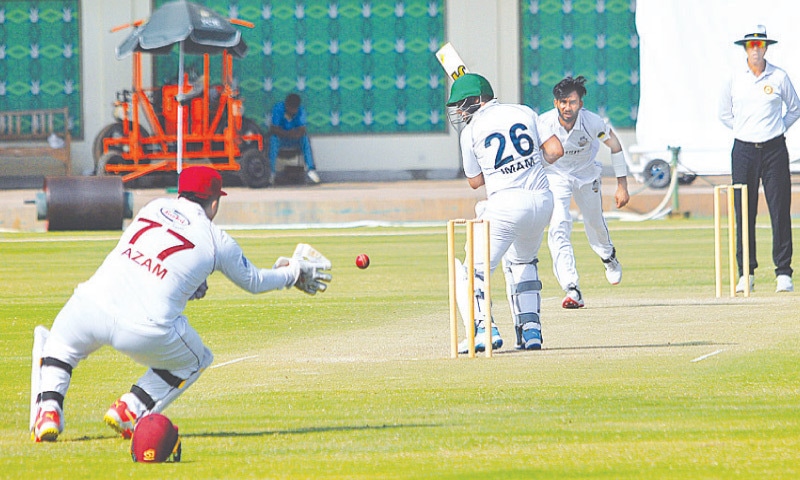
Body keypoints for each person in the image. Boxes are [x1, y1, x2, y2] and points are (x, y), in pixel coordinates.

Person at [31, 166, 332, 442]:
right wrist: (292, 273)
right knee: (196, 359)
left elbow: (150, 261)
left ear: (179, 193)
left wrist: (189, 286)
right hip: (145, 329)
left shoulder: (153, 206)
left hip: (91, 304)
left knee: (59, 348)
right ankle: (131, 408)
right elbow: (253, 281)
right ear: (215, 202)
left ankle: (49, 409)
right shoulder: (218, 241)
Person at [446, 73, 563, 352]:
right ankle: (531, 331)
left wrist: (499, 169)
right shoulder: (524, 111)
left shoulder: (471, 131)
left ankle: (483, 329)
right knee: (523, 262)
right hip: (542, 202)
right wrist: (529, 163)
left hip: (505, 204)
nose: (461, 112)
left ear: (478, 100)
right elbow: (555, 150)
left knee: (471, 270)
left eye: (463, 104)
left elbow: (474, 181)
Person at [719, 25, 799, 294]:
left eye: (760, 45)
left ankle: (783, 272)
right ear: (745, 48)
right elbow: (724, 114)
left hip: (774, 148)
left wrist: (776, 129)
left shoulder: (779, 76)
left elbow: (794, 108)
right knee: (744, 210)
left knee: (779, 209)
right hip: (744, 149)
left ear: (765, 48)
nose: (756, 50)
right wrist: (745, 130)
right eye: (751, 45)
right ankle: (746, 272)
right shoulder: (734, 77)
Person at [537, 76, 628, 309]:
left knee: (595, 222)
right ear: (556, 103)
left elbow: (615, 147)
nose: (568, 107)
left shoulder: (593, 123)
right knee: (558, 226)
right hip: (556, 176)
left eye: (573, 102)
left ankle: (608, 257)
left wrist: (622, 186)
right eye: (563, 102)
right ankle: (571, 288)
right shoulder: (543, 123)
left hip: (587, 175)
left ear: (581, 104)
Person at [268, 93, 320, 185]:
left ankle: (311, 171)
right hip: (281, 139)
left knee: (305, 140)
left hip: (294, 139)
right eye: (291, 108)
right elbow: (273, 128)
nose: (293, 111)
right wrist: (288, 133)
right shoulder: (278, 108)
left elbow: (302, 130)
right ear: (286, 105)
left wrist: (292, 134)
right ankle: (271, 173)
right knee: (273, 140)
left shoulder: (301, 111)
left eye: (295, 108)